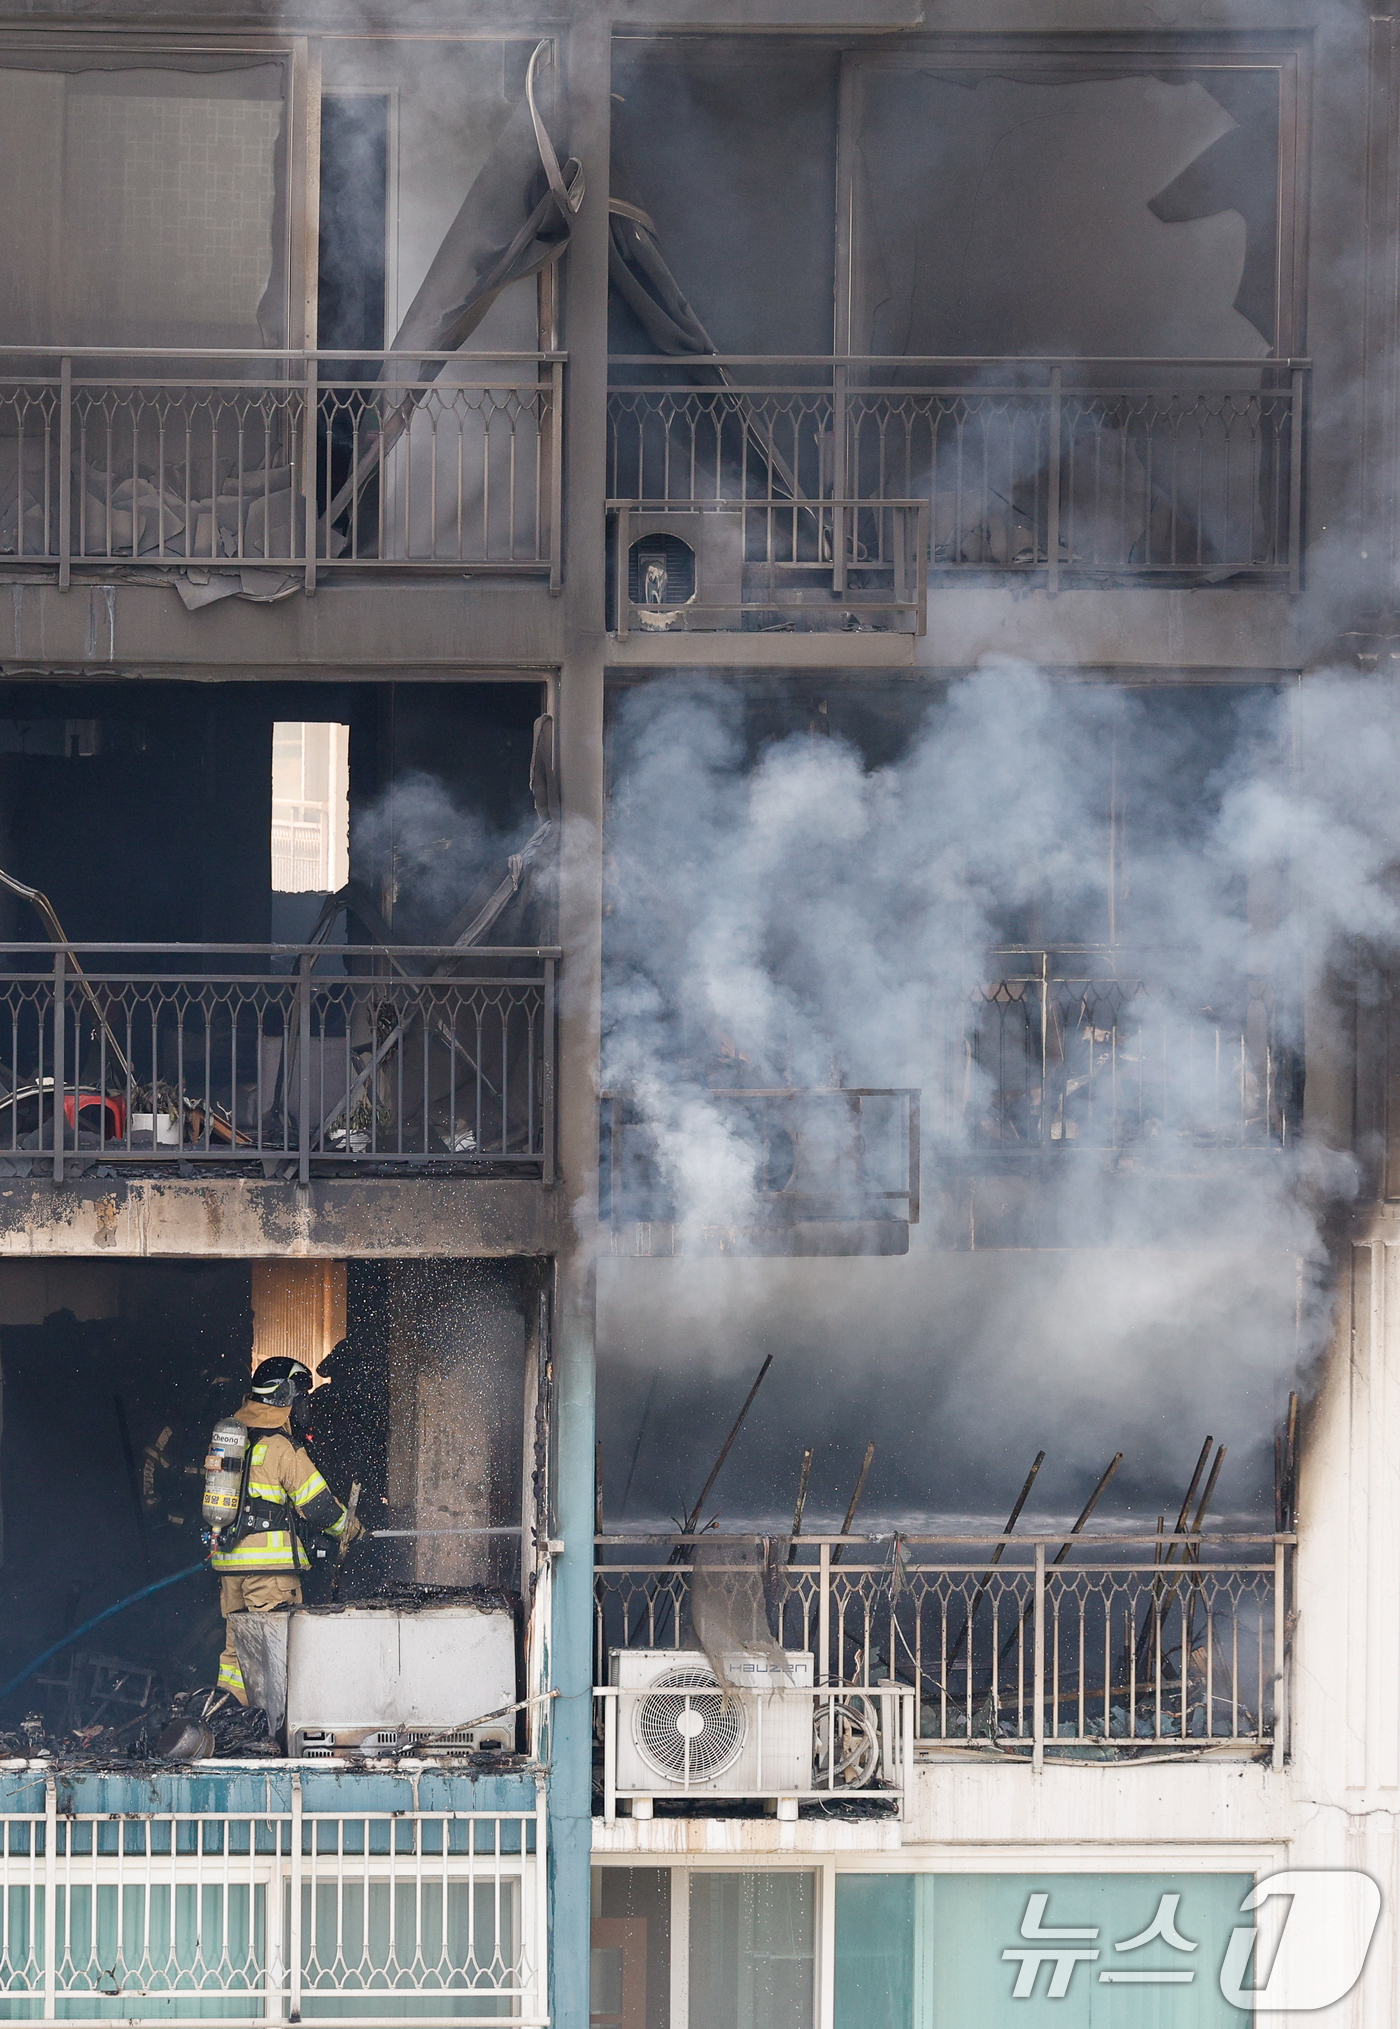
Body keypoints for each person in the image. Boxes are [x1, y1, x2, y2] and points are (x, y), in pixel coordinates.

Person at [210, 1356, 363, 1705]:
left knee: (236, 1654)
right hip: (270, 1575)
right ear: (284, 1397)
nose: (301, 1407)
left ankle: (228, 1719)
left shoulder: (235, 1437)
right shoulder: (281, 1447)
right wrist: (351, 1530)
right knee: (276, 1651)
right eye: (298, 1398)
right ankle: (275, 1730)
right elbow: (319, 1506)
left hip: (230, 1566)